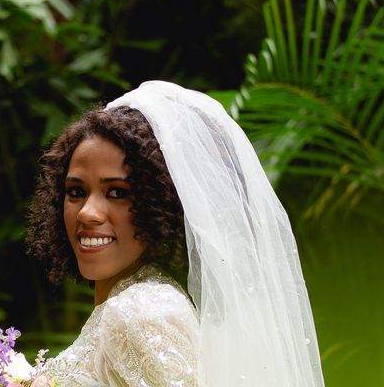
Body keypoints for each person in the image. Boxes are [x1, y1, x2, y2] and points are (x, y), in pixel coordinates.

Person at [27, 81, 325, 387]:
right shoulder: (136, 301)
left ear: (163, 204)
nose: (88, 212)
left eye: (117, 192)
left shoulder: (140, 313)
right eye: (76, 191)